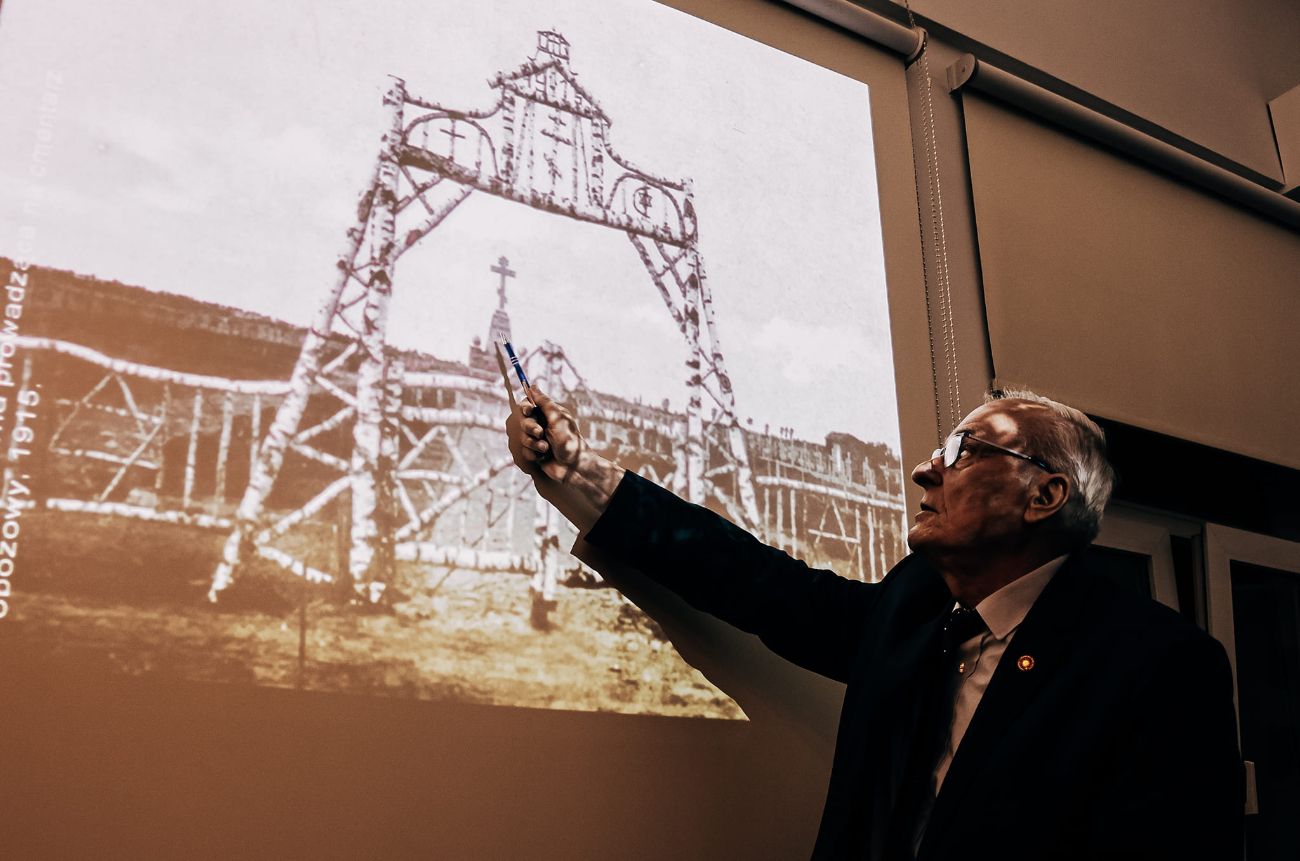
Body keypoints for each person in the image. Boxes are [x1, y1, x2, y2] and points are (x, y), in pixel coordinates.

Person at [505, 387, 1244, 860]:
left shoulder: (1158, 664)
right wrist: (578, 475)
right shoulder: (912, 611)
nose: (927, 469)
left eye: (964, 451)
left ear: (1045, 495)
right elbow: (757, 583)